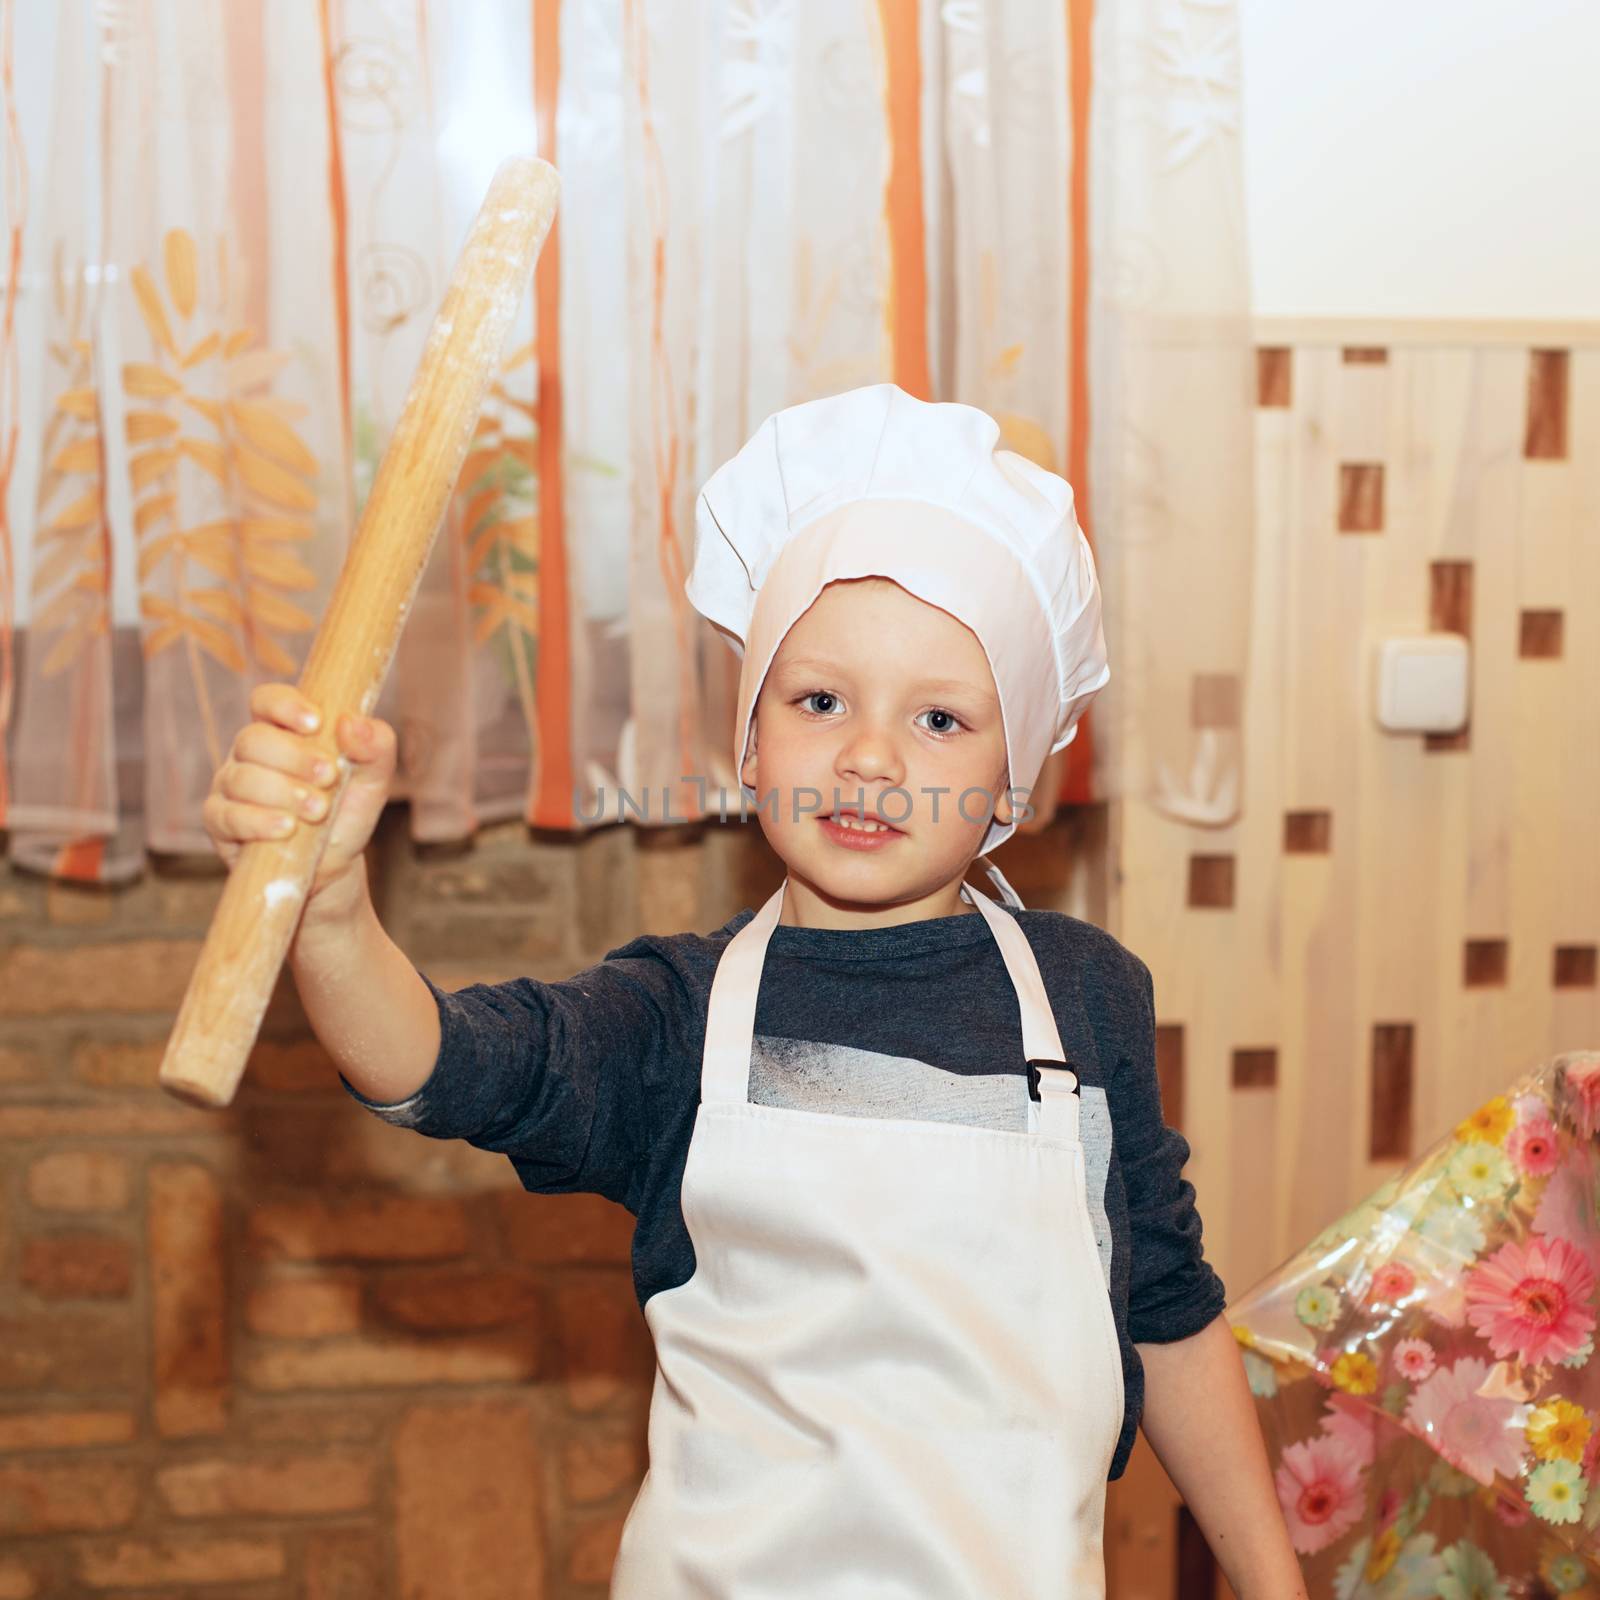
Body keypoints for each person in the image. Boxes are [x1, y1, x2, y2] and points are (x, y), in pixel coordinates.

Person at [204, 384, 1305, 1597]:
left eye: (940, 718)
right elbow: (444, 1063)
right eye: (818, 699)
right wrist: (331, 908)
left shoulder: (1087, 998)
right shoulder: (679, 1017)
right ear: (749, 740)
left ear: (1012, 786)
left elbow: (1163, 1303)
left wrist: (1271, 1579)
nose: (869, 755)